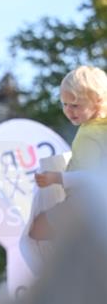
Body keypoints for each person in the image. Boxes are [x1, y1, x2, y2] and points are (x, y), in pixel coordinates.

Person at [32, 66, 107, 239]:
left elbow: (93, 177)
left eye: (75, 105)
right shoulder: (98, 127)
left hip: (85, 205)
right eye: (64, 104)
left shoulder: (90, 134)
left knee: (37, 230)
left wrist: (56, 178)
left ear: (98, 101)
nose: (68, 110)